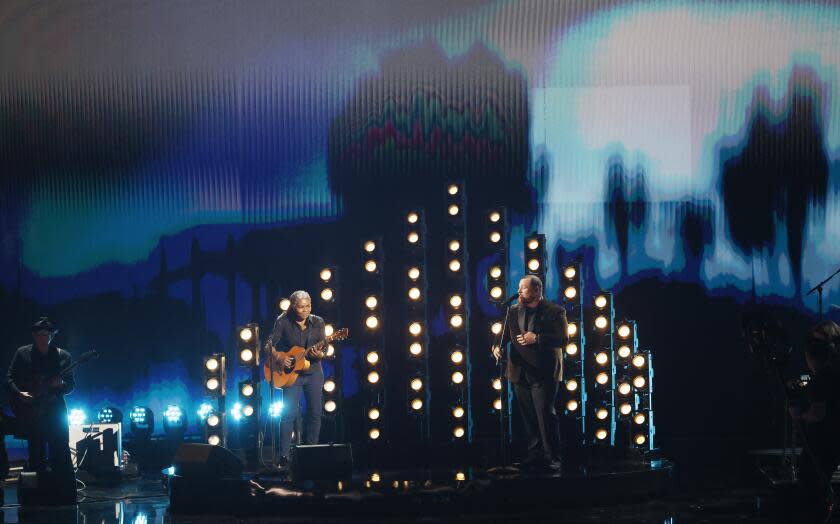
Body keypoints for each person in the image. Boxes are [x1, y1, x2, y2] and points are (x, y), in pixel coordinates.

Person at [492, 275, 568, 470]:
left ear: (537, 290)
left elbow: (563, 338)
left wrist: (538, 338)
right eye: (519, 288)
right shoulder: (513, 310)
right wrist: (496, 347)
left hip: (544, 371)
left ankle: (553, 458)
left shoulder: (555, 311)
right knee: (528, 416)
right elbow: (503, 336)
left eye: (523, 288)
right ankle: (535, 455)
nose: (519, 292)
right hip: (519, 371)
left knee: (545, 415)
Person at [6, 317, 76, 501]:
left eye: (47, 335)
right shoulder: (23, 354)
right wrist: (20, 394)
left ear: (52, 336)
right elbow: (9, 378)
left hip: (55, 410)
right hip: (32, 411)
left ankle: (63, 495)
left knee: (60, 450)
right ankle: (38, 496)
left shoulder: (63, 356)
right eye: (40, 335)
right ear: (34, 336)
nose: (44, 339)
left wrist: (61, 384)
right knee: (36, 452)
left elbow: (70, 386)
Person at [788, 323, 840, 521]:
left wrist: (799, 415)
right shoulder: (830, 375)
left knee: (811, 484)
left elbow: (819, 413)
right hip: (832, 437)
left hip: (825, 439)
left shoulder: (825, 377)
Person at [270, 291, 327, 465]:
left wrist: (320, 355)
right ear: (293, 307)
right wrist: (280, 357)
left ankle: (311, 453)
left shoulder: (318, 322)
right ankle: (284, 456)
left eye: (308, 306)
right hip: (290, 375)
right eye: (301, 307)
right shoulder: (282, 321)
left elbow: (325, 348)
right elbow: (269, 345)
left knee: (315, 413)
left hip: (313, 373)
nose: (305, 310)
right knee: (288, 415)